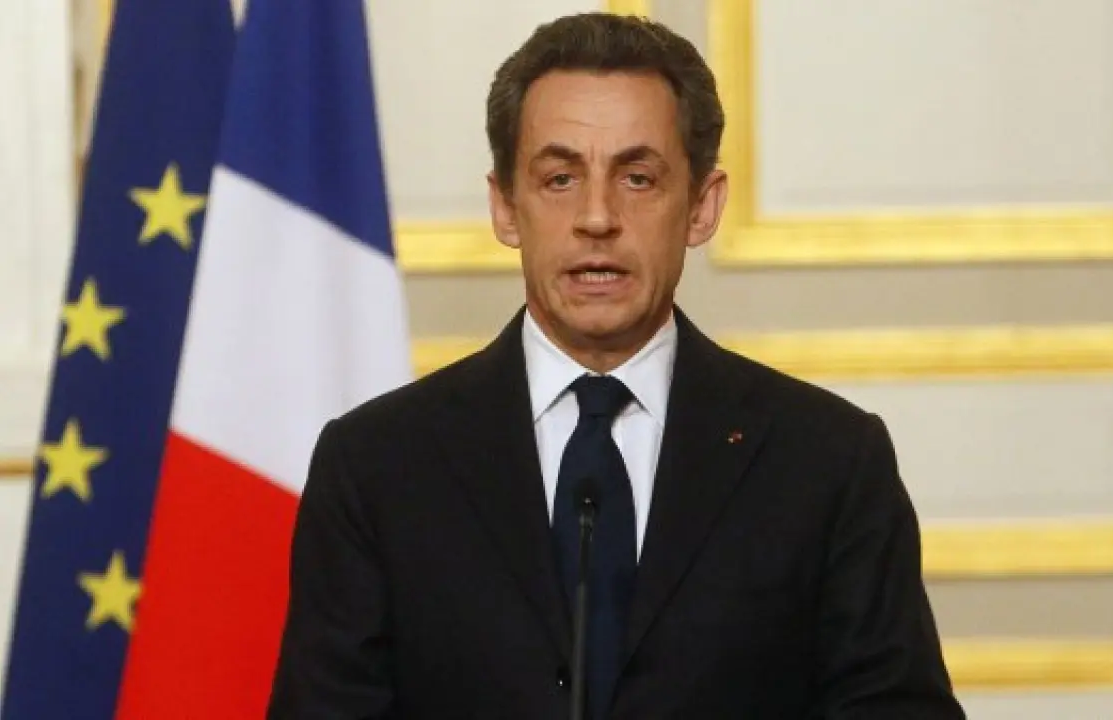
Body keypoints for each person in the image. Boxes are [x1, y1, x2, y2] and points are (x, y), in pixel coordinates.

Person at [267, 11, 965, 719]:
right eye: (559, 178)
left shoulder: (828, 462)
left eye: (637, 178)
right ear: (505, 207)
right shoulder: (377, 466)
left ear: (701, 207)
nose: (597, 217)